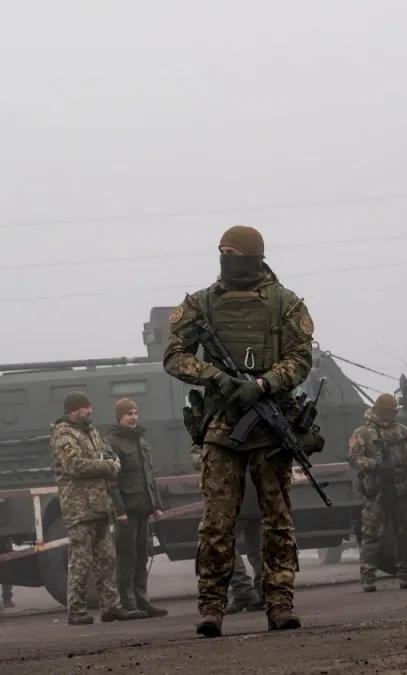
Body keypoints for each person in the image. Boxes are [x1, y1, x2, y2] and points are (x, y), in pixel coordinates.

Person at [163, 225, 318, 637]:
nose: (225, 258)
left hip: (270, 424)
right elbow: (174, 356)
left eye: (232, 252)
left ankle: (279, 603)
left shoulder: (285, 303)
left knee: (277, 520)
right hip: (221, 425)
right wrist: (214, 376)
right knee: (217, 522)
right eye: (222, 252)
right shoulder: (200, 304)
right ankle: (212, 607)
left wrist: (264, 384)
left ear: (253, 257)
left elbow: (301, 357)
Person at [49, 391, 145, 625]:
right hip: (80, 509)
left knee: (106, 559)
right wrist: (106, 466)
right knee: (80, 561)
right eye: (86, 407)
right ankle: (76, 610)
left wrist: (110, 462)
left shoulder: (91, 432)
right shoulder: (63, 435)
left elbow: (110, 454)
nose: (90, 411)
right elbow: (74, 465)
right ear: (74, 410)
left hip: (101, 506)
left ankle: (111, 608)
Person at [348, 393, 407, 592]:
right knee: (372, 535)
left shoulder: (402, 431)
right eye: (391, 410)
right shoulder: (363, 433)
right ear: (382, 410)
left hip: (402, 489)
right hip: (376, 491)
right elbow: (354, 459)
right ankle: (368, 578)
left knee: (405, 533)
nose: (395, 414)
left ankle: (405, 575)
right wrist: (375, 465)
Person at [105, 397, 169, 618]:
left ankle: (142, 601)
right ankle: (127, 604)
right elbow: (111, 482)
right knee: (127, 558)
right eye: (128, 414)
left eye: (135, 413)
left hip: (143, 509)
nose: (133, 418)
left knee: (142, 558)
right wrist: (119, 510)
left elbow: (150, 477)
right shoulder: (111, 443)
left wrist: (156, 505)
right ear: (119, 417)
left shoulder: (141, 442)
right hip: (127, 512)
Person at [190, 444, 264, 613]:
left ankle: (244, 591)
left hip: (232, 495)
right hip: (259, 492)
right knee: (258, 547)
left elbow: (198, 458)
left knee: (224, 544)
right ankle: (263, 593)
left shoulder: (215, 430)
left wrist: (215, 461)